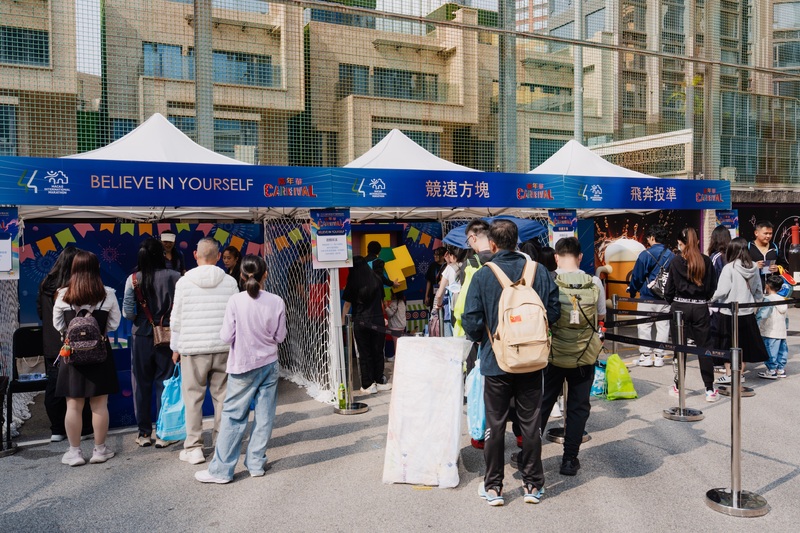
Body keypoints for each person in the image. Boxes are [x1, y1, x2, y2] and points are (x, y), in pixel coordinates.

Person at [462, 219, 560, 507]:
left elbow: (471, 319)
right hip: (532, 360)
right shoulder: (538, 271)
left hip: (496, 361)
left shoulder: (483, 275)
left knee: (495, 424)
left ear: (492, 244)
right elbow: (554, 311)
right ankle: (533, 484)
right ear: (517, 241)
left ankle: (494, 487)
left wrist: (484, 339)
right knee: (530, 423)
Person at [194, 255, 287, 484]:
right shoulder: (277, 301)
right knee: (264, 416)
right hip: (269, 364)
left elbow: (226, 336)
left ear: (242, 276)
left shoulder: (235, 301)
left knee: (234, 417)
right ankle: (256, 464)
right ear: (265, 274)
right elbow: (280, 337)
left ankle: (221, 471)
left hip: (242, 366)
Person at [170, 238, 239, 465]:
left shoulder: (183, 282)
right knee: (223, 398)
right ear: (218, 256)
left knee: (193, 399)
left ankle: (194, 448)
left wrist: (175, 347)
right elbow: (235, 316)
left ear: (195, 255)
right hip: (223, 347)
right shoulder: (230, 282)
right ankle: (222, 444)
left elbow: (176, 319)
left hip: (192, 348)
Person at [540, 237, 605, 476]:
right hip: (584, 354)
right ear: (580, 257)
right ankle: (569, 459)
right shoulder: (594, 282)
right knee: (578, 407)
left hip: (553, 354)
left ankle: (530, 455)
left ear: (556, 257)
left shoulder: (548, 279)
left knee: (543, 404)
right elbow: (601, 316)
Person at [53, 251, 121, 466]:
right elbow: (114, 324)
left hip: (71, 354)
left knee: (73, 405)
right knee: (99, 405)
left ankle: (74, 453)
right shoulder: (108, 294)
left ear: (73, 268)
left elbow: (58, 325)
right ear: (97, 268)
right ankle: (100, 450)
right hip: (100, 353)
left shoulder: (62, 294)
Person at [122, 238, 182, 447]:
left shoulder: (133, 279)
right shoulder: (176, 277)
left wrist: (144, 318)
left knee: (141, 384)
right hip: (168, 336)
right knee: (165, 383)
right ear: (161, 255)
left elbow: (128, 312)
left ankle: (144, 434)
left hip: (141, 335)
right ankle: (164, 434)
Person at [37, 246, 92, 443]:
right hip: (76, 344)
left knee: (54, 387)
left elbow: (41, 313)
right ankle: (84, 428)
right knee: (80, 386)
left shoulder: (46, 285)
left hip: (52, 345)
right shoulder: (76, 287)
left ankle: (57, 429)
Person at [663, 228, 718, 401]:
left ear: (681, 243)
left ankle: (678, 385)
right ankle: (709, 388)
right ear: (697, 242)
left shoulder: (676, 261)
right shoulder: (706, 261)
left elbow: (668, 289)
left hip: (680, 306)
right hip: (700, 307)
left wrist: (672, 301)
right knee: (704, 347)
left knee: (679, 348)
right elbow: (712, 287)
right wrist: (702, 298)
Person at [710, 237, 769, 383]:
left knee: (727, 344)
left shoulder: (729, 268)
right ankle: (740, 374)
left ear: (731, 250)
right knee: (744, 344)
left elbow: (722, 290)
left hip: (729, 311)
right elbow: (758, 289)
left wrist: (710, 299)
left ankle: (729, 374)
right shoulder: (753, 267)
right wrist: (756, 304)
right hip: (747, 311)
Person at [342, 256, 392, 395]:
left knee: (364, 353)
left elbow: (347, 305)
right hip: (378, 320)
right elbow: (381, 301)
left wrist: (342, 321)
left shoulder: (353, 281)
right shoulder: (377, 279)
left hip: (361, 321)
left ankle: (368, 384)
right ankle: (379, 380)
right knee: (378, 352)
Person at [628, 225, 674, 368]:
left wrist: (632, 291)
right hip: (665, 298)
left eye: (648, 238)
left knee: (644, 326)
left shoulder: (645, 254)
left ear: (652, 237)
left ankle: (646, 356)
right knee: (663, 327)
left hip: (647, 297)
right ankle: (659, 356)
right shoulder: (672, 255)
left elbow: (637, 276)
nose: (648, 240)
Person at [757, 275, 789, 380]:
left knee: (770, 351)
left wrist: (756, 322)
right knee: (781, 351)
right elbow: (786, 316)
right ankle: (781, 369)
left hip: (770, 330)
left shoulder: (768, 299)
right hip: (781, 330)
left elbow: (763, 314)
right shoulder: (783, 299)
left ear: (767, 286)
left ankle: (771, 370)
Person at [434, 245, 464, 337]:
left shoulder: (449, 268)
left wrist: (439, 304)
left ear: (452, 255)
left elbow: (440, 294)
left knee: (456, 335)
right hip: (468, 305)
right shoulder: (468, 264)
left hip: (455, 306)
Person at [748, 220, 779, 292]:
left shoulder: (775, 247)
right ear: (756, 233)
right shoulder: (748, 247)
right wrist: (754, 266)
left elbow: (784, 265)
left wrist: (777, 268)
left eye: (770, 233)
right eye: (765, 233)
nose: (768, 236)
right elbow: (740, 266)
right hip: (753, 289)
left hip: (772, 290)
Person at [385, 290, 407, 357]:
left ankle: (398, 358)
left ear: (394, 295)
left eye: (391, 293)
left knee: (396, 345)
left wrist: (386, 306)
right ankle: (401, 356)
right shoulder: (402, 302)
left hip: (395, 327)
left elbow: (390, 313)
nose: (390, 295)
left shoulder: (394, 303)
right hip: (401, 326)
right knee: (400, 344)